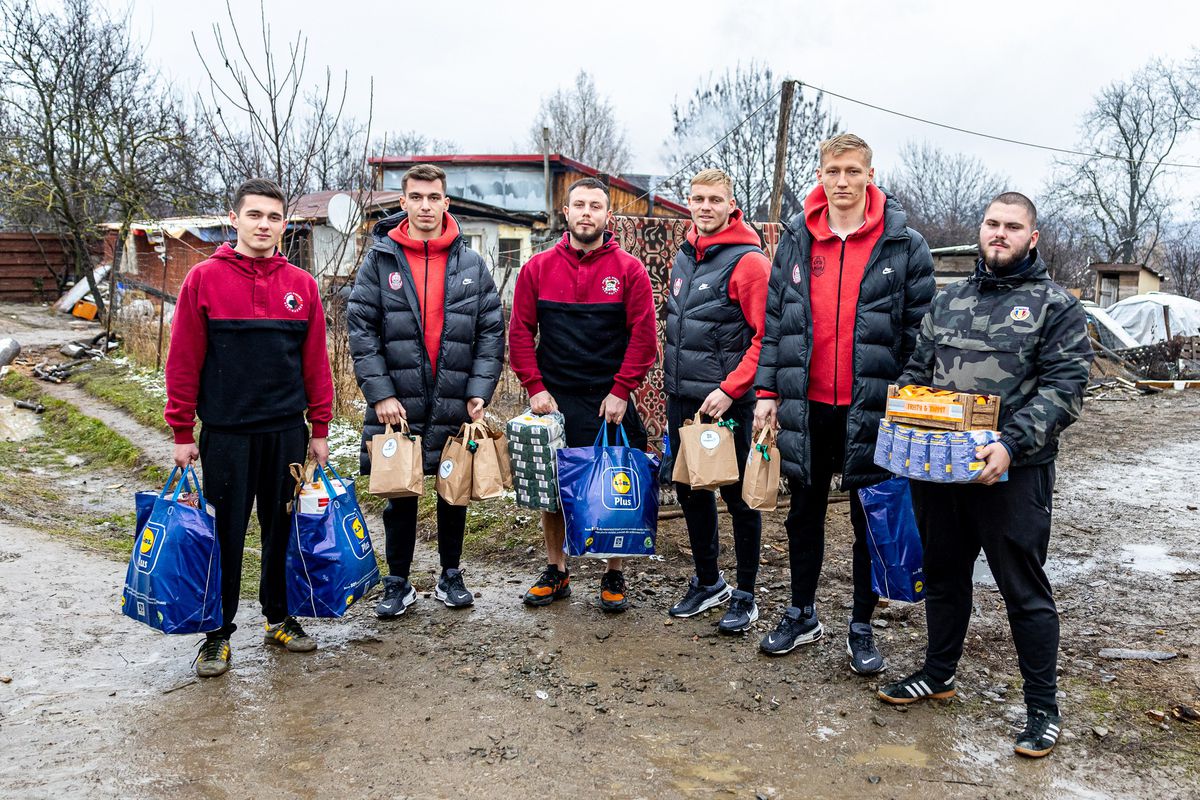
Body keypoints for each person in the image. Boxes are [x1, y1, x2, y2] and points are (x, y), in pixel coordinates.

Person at [877, 192, 1091, 759]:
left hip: (1011, 473)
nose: (1000, 234)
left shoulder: (1055, 306)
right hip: (941, 470)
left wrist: (1011, 444)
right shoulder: (951, 301)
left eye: (1012, 227)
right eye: (992, 224)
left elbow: (1065, 388)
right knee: (945, 576)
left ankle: (1042, 710)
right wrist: (903, 414)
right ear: (981, 230)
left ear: (1032, 237)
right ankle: (939, 672)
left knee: (1023, 590)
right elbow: (919, 369)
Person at [754, 133, 935, 673]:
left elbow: (919, 335)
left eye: (852, 170)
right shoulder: (795, 238)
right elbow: (776, 324)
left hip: (872, 407)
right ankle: (801, 610)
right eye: (832, 170)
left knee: (867, 518)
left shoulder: (904, 244)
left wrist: (903, 400)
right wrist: (766, 392)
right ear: (820, 174)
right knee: (803, 514)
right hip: (806, 405)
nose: (841, 181)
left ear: (870, 174)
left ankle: (862, 624)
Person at [165, 178, 334, 678]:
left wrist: (319, 428)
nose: (264, 225)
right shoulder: (204, 279)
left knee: (282, 533)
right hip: (227, 435)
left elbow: (315, 365)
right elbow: (184, 361)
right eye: (255, 215)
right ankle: (217, 634)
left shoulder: (301, 286)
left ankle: (279, 618)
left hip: (285, 434)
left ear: (285, 224)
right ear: (234, 219)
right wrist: (181, 431)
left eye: (274, 217)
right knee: (225, 536)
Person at [347, 164, 504, 619]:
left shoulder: (471, 263)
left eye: (434, 197)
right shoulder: (379, 260)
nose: (425, 206)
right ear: (403, 203)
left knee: (453, 490)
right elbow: (361, 329)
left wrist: (478, 390)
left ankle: (450, 574)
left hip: (456, 398)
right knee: (401, 493)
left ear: (446, 203)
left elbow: (492, 330)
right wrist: (379, 394)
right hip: (397, 400)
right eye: (416, 197)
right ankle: (398, 581)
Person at [509, 177, 657, 612]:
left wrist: (621, 390)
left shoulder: (629, 270)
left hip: (608, 400)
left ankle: (613, 573)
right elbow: (519, 332)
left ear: (608, 216)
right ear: (566, 213)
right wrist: (534, 387)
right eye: (579, 205)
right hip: (554, 400)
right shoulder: (537, 268)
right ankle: (557, 571)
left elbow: (644, 339)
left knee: (616, 484)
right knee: (553, 489)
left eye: (595, 205)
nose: (587, 212)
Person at [663, 168, 770, 633]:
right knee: (689, 490)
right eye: (697, 198)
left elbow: (769, 337)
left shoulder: (749, 263)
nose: (704, 207)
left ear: (732, 205)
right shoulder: (685, 258)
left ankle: (746, 593)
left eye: (714, 199)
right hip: (683, 398)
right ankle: (709, 581)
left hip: (728, 403)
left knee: (737, 497)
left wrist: (732, 390)